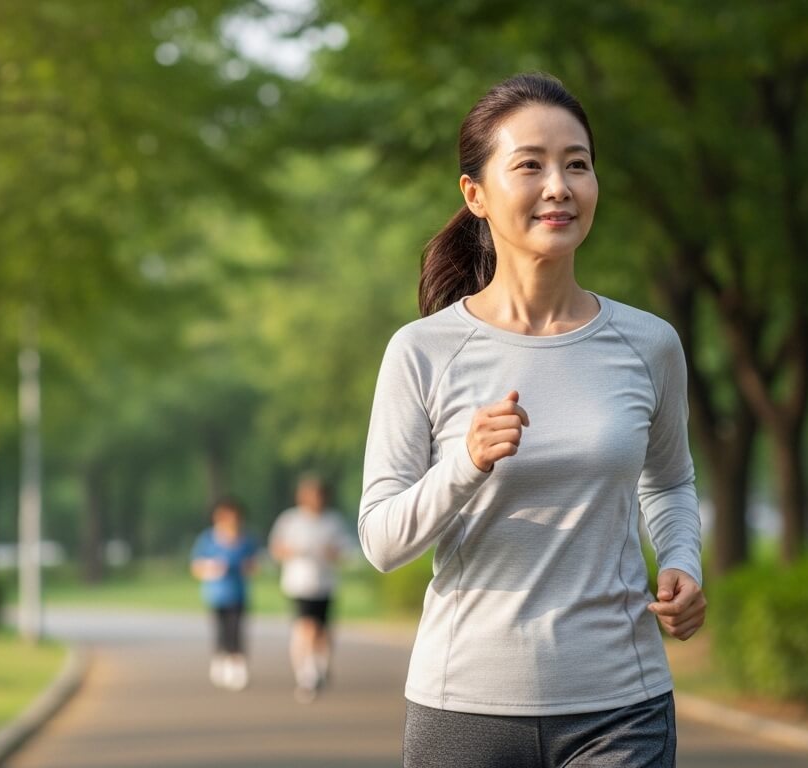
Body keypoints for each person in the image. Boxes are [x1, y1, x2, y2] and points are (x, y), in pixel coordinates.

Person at [359, 73, 706, 767]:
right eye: (531, 165)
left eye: (577, 164)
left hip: (621, 703)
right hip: (464, 708)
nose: (559, 185)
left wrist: (681, 561)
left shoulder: (649, 344)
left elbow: (667, 482)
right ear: (476, 195)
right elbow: (382, 541)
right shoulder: (422, 351)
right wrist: (465, 463)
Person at [269, 474, 356, 703]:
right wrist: (294, 551)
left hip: (325, 583)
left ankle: (320, 665)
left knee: (323, 632)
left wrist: (332, 553)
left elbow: (344, 551)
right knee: (305, 627)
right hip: (299, 584)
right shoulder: (290, 520)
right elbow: (276, 549)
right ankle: (306, 674)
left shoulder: (332, 521)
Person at [190, 497, 260, 691]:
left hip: (238, 594)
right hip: (216, 594)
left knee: (236, 630)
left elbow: (255, 565)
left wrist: (247, 567)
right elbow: (196, 566)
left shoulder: (246, 540)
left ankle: (237, 666)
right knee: (221, 630)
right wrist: (212, 568)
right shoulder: (207, 539)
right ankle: (220, 659)